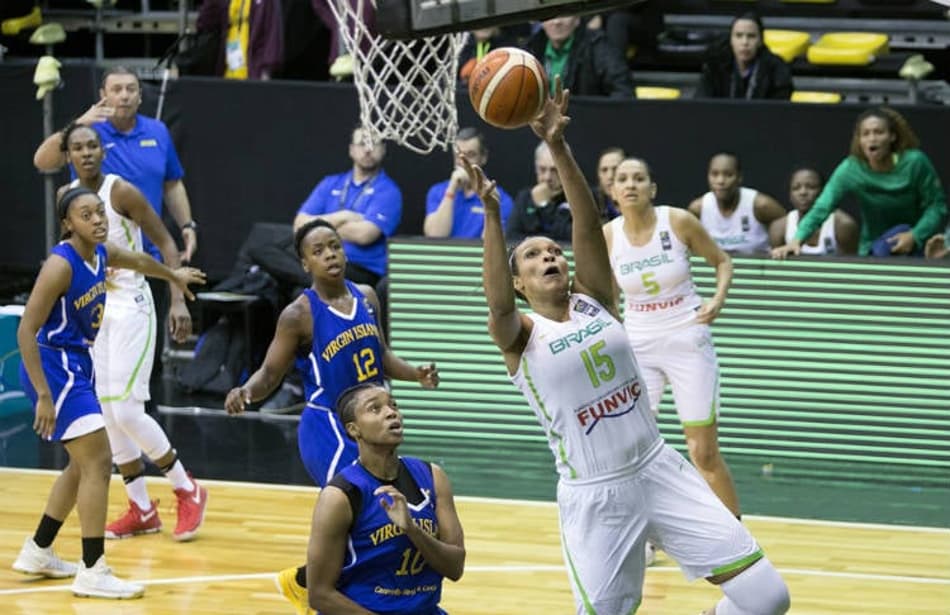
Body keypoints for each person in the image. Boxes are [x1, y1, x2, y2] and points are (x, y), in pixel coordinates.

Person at [465, 79, 790, 615]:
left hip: (659, 467)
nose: (549, 258)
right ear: (519, 281)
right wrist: (494, 218)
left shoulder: (595, 299)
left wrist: (558, 146)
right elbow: (497, 302)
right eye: (534, 257)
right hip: (597, 495)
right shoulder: (520, 335)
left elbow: (589, 227)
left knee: (767, 598)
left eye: (553, 252)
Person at [224, 219, 439, 615]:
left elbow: (381, 355)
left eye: (335, 247)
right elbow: (271, 372)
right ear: (305, 263)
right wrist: (247, 392)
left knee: (372, 517)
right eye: (319, 251)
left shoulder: (368, 296)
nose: (330, 256)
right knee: (357, 509)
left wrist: (414, 374)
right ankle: (322, 597)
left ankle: (306, 583)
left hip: (368, 420)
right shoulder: (299, 314)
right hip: (329, 428)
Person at [12, 187, 204, 599]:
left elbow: (135, 258)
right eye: (87, 215)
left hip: (77, 364)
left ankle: (39, 549)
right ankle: (93, 568)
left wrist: (172, 275)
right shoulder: (60, 265)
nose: (98, 220)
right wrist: (44, 395)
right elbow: (26, 331)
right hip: (55, 366)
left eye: (100, 212)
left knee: (81, 466)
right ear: (68, 223)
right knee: (99, 462)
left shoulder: (100, 252)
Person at [58, 123, 210, 541]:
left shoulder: (120, 191)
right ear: (67, 154)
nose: (86, 153)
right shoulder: (66, 197)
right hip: (96, 313)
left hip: (132, 307)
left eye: (92, 145)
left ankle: (187, 487)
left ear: (103, 150)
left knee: (126, 410)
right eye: (77, 147)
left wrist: (177, 299)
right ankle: (142, 508)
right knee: (106, 416)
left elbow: (165, 242)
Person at [33, 66, 199, 398]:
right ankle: (105, 443)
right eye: (116, 89)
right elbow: (43, 160)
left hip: (144, 265)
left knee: (138, 382)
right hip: (96, 275)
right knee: (97, 373)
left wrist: (187, 224)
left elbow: (172, 183)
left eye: (131, 89)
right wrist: (83, 120)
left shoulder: (157, 132)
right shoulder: (87, 135)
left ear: (140, 95)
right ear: (103, 96)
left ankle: (140, 442)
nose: (124, 95)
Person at [604, 157, 742, 524]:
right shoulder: (609, 234)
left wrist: (718, 298)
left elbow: (722, 261)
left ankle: (737, 534)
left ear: (652, 188)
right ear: (613, 190)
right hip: (638, 347)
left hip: (686, 336)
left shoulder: (677, 220)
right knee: (632, 449)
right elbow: (602, 292)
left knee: (702, 451)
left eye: (639, 178)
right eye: (622, 179)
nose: (630, 184)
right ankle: (646, 537)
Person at [306, 382, 465, 613]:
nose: (391, 412)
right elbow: (320, 595)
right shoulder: (340, 496)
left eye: (393, 405)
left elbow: (455, 567)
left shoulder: (433, 477)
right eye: (375, 409)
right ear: (354, 430)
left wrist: (411, 528)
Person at [773, 107, 948, 259]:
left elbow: (937, 206)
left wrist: (915, 235)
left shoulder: (915, 162)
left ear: (892, 137)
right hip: (873, 248)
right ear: (859, 140)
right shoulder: (851, 168)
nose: (872, 139)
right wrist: (797, 240)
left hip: (915, 242)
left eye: (879, 132)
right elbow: (822, 206)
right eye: (866, 134)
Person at [294, 127, 402, 288]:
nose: (367, 150)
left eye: (374, 144)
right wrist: (344, 216)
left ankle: (303, 278)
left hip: (360, 268)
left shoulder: (388, 191)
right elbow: (299, 226)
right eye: (362, 144)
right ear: (351, 150)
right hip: (320, 261)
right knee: (262, 250)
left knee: (298, 286)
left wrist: (317, 229)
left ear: (383, 150)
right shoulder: (330, 183)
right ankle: (313, 279)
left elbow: (365, 235)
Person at [423, 127, 514, 239]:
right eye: (459, 156)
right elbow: (435, 235)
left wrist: (488, 204)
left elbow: (491, 243)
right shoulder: (438, 191)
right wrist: (452, 188)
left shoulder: (499, 198)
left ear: (483, 157)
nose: (463, 162)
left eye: (470, 155)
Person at [688, 152, 787, 255]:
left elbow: (790, 227)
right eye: (714, 174)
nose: (720, 181)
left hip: (755, 268)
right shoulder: (698, 209)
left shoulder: (761, 205)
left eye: (728, 175)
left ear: (739, 177)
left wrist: (777, 246)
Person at [524, 15, 635, 98]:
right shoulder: (530, 49)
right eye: (550, 15)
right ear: (541, 22)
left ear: (577, 19)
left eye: (564, 14)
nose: (557, 22)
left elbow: (623, 91)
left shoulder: (597, 45)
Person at [697, 12, 793, 100]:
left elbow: (779, 111)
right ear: (731, 40)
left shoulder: (777, 69)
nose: (745, 42)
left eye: (751, 36)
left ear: (760, 41)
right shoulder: (714, 66)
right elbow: (702, 105)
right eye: (738, 35)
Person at [768, 167, 859, 256]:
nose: (803, 192)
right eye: (796, 188)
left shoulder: (843, 225)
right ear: (790, 195)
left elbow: (852, 266)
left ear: (824, 192)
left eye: (811, 187)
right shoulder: (779, 228)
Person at [195, 0, 284, 80]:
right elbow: (204, 23)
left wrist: (266, 71)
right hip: (228, 73)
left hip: (253, 73)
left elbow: (272, 33)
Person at [506, 141, 572, 241]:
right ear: (536, 168)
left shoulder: (576, 200)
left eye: (554, 170)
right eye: (542, 169)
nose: (547, 177)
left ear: (566, 168)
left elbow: (568, 238)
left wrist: (544, 205)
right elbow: (511, 237)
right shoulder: (525, 197)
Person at [592, 146, 624, 223]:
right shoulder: (589, 203)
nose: (610, 176)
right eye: (604, 170)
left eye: (615, 169)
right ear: (598, 174)